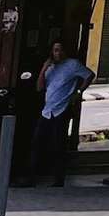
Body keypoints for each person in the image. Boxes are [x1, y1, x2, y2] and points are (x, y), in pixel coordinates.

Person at [28, 38, 94, 186]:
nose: (57, 53)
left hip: (61, 109)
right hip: (47, 110)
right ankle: (31, 176)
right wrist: (44, 68)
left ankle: (58, 178)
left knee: (58, 145)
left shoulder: (72, 65)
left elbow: (89, 75)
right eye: (54, 50)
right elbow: (39, 87)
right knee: (37, 143)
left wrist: (78, 92)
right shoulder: (50, 68)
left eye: (59, 50)